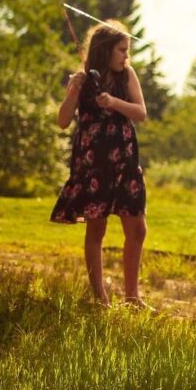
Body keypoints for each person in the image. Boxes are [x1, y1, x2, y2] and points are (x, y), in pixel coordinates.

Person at [50, 20, 150, 308]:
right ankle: (100, 298)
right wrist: (72, 90)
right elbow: (63, 121)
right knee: (96, 229)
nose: (126, 56)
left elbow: (140, 112)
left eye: (127, 51)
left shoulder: (127, 75)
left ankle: (133, 298)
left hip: (125, 163)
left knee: (137, 229)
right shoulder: (83, 79)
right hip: (94, 165)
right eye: (122, 50)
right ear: (106, 50)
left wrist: (113, 102)